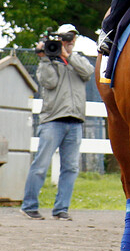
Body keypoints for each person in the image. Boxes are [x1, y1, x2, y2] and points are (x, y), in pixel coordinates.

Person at [20, 25, 94, 220]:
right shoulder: (49, 62)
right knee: (41, 165)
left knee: (70, 168)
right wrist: (45, 58)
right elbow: (48, 82)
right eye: (65, 38)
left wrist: (68, 56)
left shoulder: (78, 59)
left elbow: (88, 72)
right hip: (52, 120)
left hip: (75, 122)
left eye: (72, 38)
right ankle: (29, 206)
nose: (69, 42)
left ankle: (61, 209)